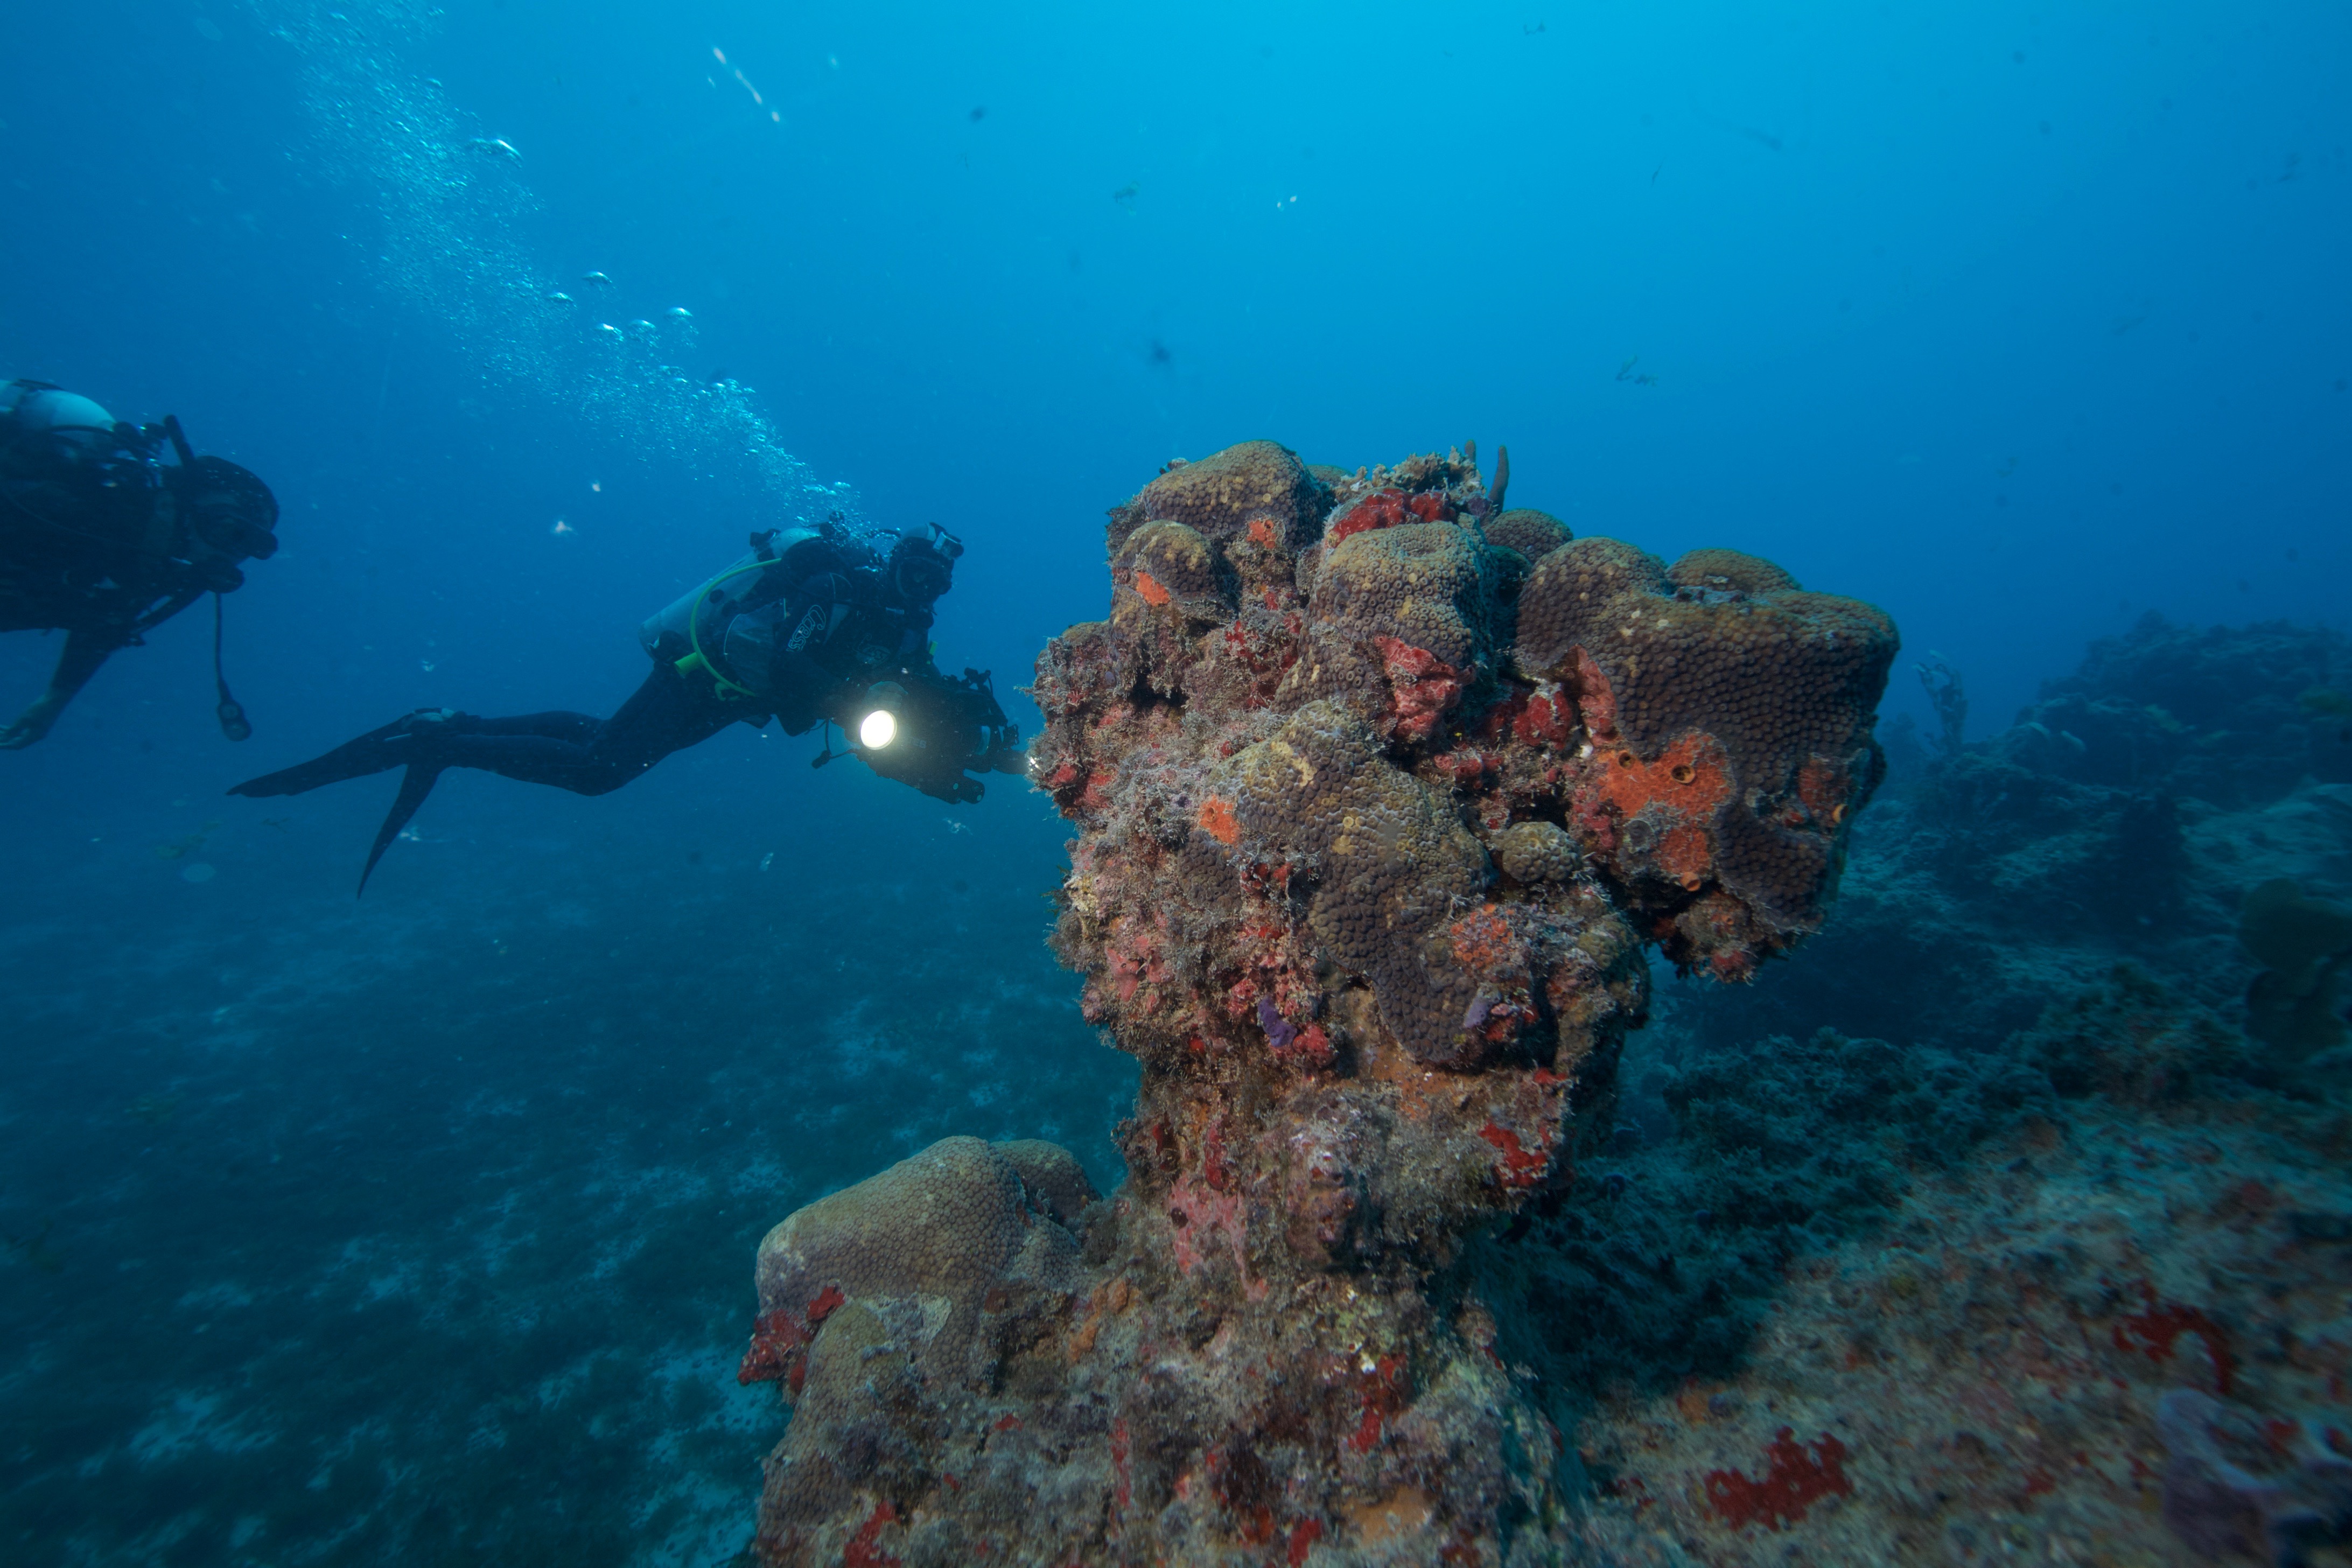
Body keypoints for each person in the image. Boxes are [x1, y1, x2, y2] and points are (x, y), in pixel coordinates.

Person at [229, 519, 1026, 892]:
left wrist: (965, 735)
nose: (925, 590)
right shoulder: (832, 587)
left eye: (937, 584)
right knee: (601, 771)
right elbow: (775, 660)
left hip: (725, 699)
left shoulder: (901, 627)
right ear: (894, 564)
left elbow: (908, 687)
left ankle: (449, 726)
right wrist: (848, 699)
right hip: (701, 676)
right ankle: (441, 743)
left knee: (601, 744)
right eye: (917, 575)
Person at [0, 379, 279, 748]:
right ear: (190, 510)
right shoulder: (89, 511)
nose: (226, 554)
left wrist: (55, 699)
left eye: (248, 546)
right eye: (227, 530)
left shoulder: (163, 568)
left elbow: (107, 623)